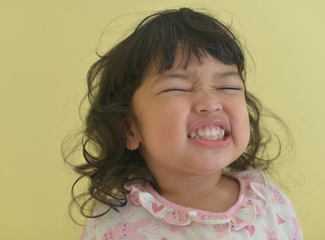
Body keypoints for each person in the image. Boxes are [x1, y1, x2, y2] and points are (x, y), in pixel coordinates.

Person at [63, 8, 302, 239]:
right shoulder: (117, 224)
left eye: (228, 87)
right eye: (178, 88)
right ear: (129, 128)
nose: (210, 103)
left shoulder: (269, 202)